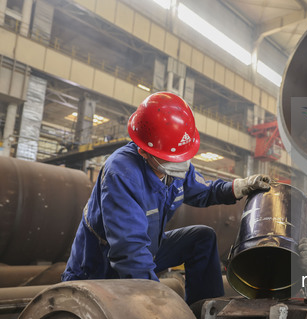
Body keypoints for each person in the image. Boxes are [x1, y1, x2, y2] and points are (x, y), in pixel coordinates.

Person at [62, 92, 271, 305]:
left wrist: (239, 187)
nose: (179, 166)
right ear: (143, 152)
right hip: (102, 268)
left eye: (181, 157)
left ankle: (205, 313)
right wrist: (157, 304)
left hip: (148, 250)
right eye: (171, 160)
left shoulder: (173, 166)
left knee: (202, 239)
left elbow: (203, 190)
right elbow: (130, 250)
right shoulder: (122, 173)